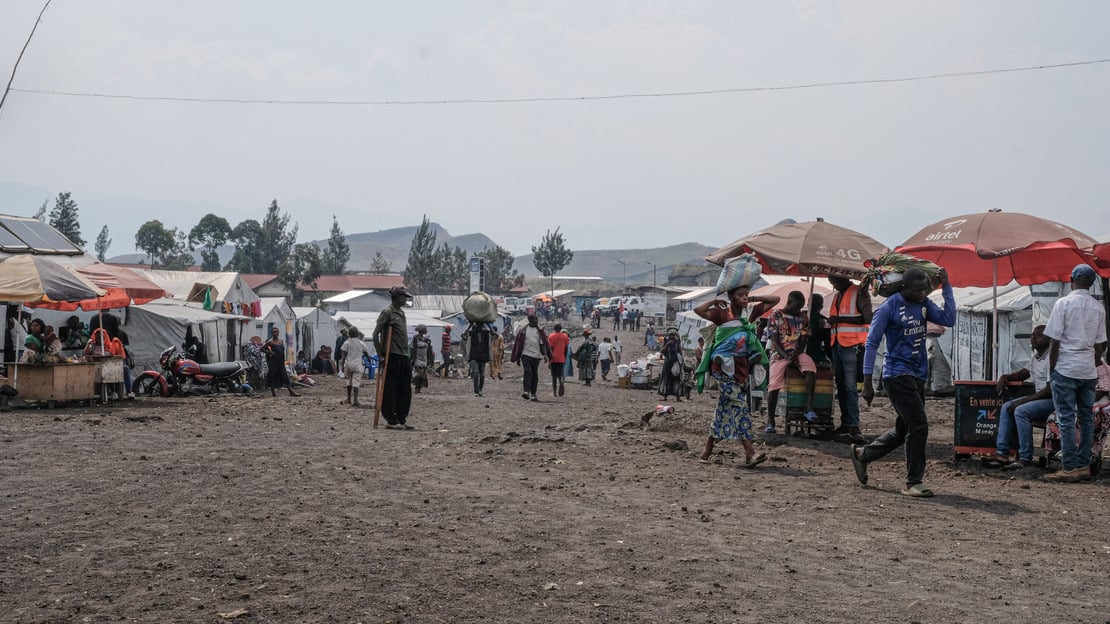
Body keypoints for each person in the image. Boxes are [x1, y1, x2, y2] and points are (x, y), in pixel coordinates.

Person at [850, 267, 955, 498]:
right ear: (905, 288)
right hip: (896, 375)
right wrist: (867, 383)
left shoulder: (924, 304)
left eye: (924, 291)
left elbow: (949, 319)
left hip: (918, 375)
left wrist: (947, 287)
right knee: (919, 425)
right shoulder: (889, 308)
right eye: (917, 291)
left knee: (904, 428)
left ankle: (863, 454)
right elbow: (871, 344)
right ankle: (913, 482)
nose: (921, 294)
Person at [692, 285, 779, 466]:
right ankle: (750, 452)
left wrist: (753, 299)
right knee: (740, 406)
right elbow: (698, 310)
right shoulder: (721, 314)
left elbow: (774, 300)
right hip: (722, 369)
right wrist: (715, 301)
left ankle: (706, 452)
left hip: (741, 370)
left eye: (746, 295)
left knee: (723, 410)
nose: (745, 298)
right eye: (740, 295)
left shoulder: (750, 314)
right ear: (730, 297)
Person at [1042, 264, 1107, 483]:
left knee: (1066, 418)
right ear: (1091, 283)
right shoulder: (1098, 308)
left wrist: (1052, 369)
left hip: (1066, 368)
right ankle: (1083, 465)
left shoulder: (1063, 303)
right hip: (1087, 371)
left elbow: (1054, 341)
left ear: (1071, 279)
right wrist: (1093, 360)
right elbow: (1101, 345)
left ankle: (1069, 466)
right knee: (1086, 418)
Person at [985, 325, 1053, 470]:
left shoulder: (1052, 358)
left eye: (1038, 335)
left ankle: (1026, 457)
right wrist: (1006, 377)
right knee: (1006, 407)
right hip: (1041, 399)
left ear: (1049, 339)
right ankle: (1002, 453)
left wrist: (1025, 400)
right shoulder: (1036, 357)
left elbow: (1050, 390)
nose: (1033, 338)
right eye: (1032, 335)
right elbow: (1023, 373)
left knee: (1021, 411)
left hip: (1052, 401)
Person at [764, 291, 819, 434]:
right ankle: (770, 421)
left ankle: (809, 407)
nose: (798, 310)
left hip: (797, 352)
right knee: (774, 385)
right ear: (789, 303)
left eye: (800, 307)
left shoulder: (803, 317)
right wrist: (786, 357)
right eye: (796, 307)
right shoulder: (775, 315)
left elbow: (803, 340)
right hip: (779, 353)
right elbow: (775, 340)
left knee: (811, 369)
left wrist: (796, 354)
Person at [827, 276, 873, 442]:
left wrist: (838, 320)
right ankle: (846, 423)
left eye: (833, 280)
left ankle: (853, 425)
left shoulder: (859, 292)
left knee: (850, 387)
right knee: (841, 386)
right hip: (837, 344)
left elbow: (868, 318)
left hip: (852, 345)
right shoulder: (837, 295)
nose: (831, 282)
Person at [374, 285, 415, 429]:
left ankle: (401, 417)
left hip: (404, 355)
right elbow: (375, 334)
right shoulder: (387, 313)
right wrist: (380, 355)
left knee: (405, 388)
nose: (405, 299)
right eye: (403, 297)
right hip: (391, 355)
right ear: (397, 298)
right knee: (390, 388)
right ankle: (391, 419)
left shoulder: (402, 313)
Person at [510, 314, 549, 401]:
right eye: (534, 319)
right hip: (525, 354)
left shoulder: (539, 331)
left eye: (537, 319)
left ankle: (533, 394)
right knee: (527, 371)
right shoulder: (523, 330)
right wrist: (518, 357)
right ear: (530, 320)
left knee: (534, 374)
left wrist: (545, 355)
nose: (536, 321)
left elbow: (543, 343)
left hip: (536, 355)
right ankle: (526, 391)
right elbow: (519, 344)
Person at [262, 326, 299, 397]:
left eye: (276, 332)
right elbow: (262, 349)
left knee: (285, 376)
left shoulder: (281, 341)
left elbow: (282, 350)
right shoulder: (270, 342)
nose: (275, 333)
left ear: (278, 333)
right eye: (273, 332)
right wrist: (270, 352)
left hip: (281, 361)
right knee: (272, 377)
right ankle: (273, 393)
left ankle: (291, 392)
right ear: (271, 333)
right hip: (273, 362)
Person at [339, 328, 370, 406]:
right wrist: (369, 360)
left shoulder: (346, 343)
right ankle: (355, 400)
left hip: (349, 364)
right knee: (356, 382)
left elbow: (343, 356)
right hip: (357, 365)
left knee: (349, 381)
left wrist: (342, 366)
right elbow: (366, 353)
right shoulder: (361, 343)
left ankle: (349, 399)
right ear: (358, 334)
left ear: (348, 334)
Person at [463, 322, 492, 397]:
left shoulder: (486, 333)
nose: (479, 327)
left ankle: (480, 390)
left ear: (483, 326)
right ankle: (476, 391)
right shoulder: (471, 333)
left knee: (482, 375)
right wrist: (470, 325)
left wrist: (488, 324)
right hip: (474, 356)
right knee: (475, 373)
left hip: (483, 356)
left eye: (480, 325)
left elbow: (495, 335)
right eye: (477, 325)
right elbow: (463, 335)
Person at [657, 327, 685, 401]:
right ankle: (665, 396)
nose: (671, 336)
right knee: (666, 378)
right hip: (667, 363)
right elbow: (661, 351)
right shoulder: (665, 341)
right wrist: (667, 345)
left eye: (673, 335)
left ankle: (678, 397)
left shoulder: (677, 342)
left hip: (675, 363)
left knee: (677, 379)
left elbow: (680, 351)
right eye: (670, 335)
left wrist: (681, 360)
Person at [806, 293, 832, 368]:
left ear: (808, 305)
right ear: (821, 307)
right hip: (817, 356)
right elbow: (828, 344)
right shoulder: (824, 321)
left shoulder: (800, 318)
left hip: (801, 354)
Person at [547, 322, 570, 397]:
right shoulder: (565, 336)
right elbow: (566, 348)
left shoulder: (551, 336)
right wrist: (565, 356)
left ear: (554, 329)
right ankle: (561, 382)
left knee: (553, 376)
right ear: (560, 329)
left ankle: (554, 392)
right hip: (561, 358)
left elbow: (550, 348)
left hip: (553, 358)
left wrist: (549, 359)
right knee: (560, 374)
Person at [411, 324, 435, 394]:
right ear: (422, 330)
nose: (426, 330)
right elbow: (413, 348)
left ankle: (417, 389)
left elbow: (429, 350)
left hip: (424, 359)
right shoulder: (415, 338)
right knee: (420, 374)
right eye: (425, 329)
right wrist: (412, 359)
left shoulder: (426, 339)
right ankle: (412, 381)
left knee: (423, 375)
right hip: (417, 359)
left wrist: (431, 360)